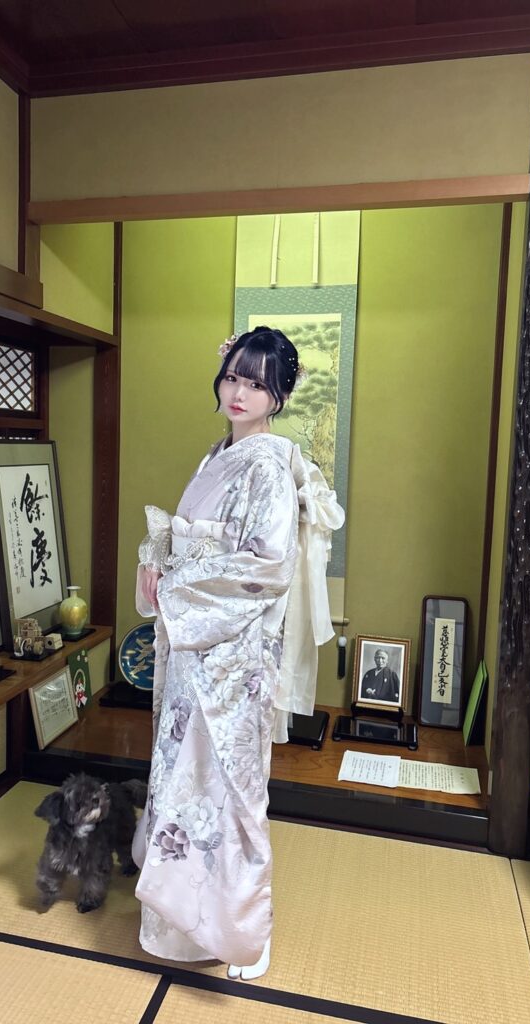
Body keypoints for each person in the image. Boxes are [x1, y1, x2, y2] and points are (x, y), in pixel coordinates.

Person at [132, 326, 344, 980]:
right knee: (183, 779)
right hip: (192, 647)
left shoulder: (270, 464)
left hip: (232, 655)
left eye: (256, 383)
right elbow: (192, 538)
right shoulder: (218, 454)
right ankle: (183, 923)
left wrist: (179, 581)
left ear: (279, 395)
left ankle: (247, 930)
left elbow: (267, 566)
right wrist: (156, 559)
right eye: (232, 377)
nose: (239, 392)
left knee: (233, 787)